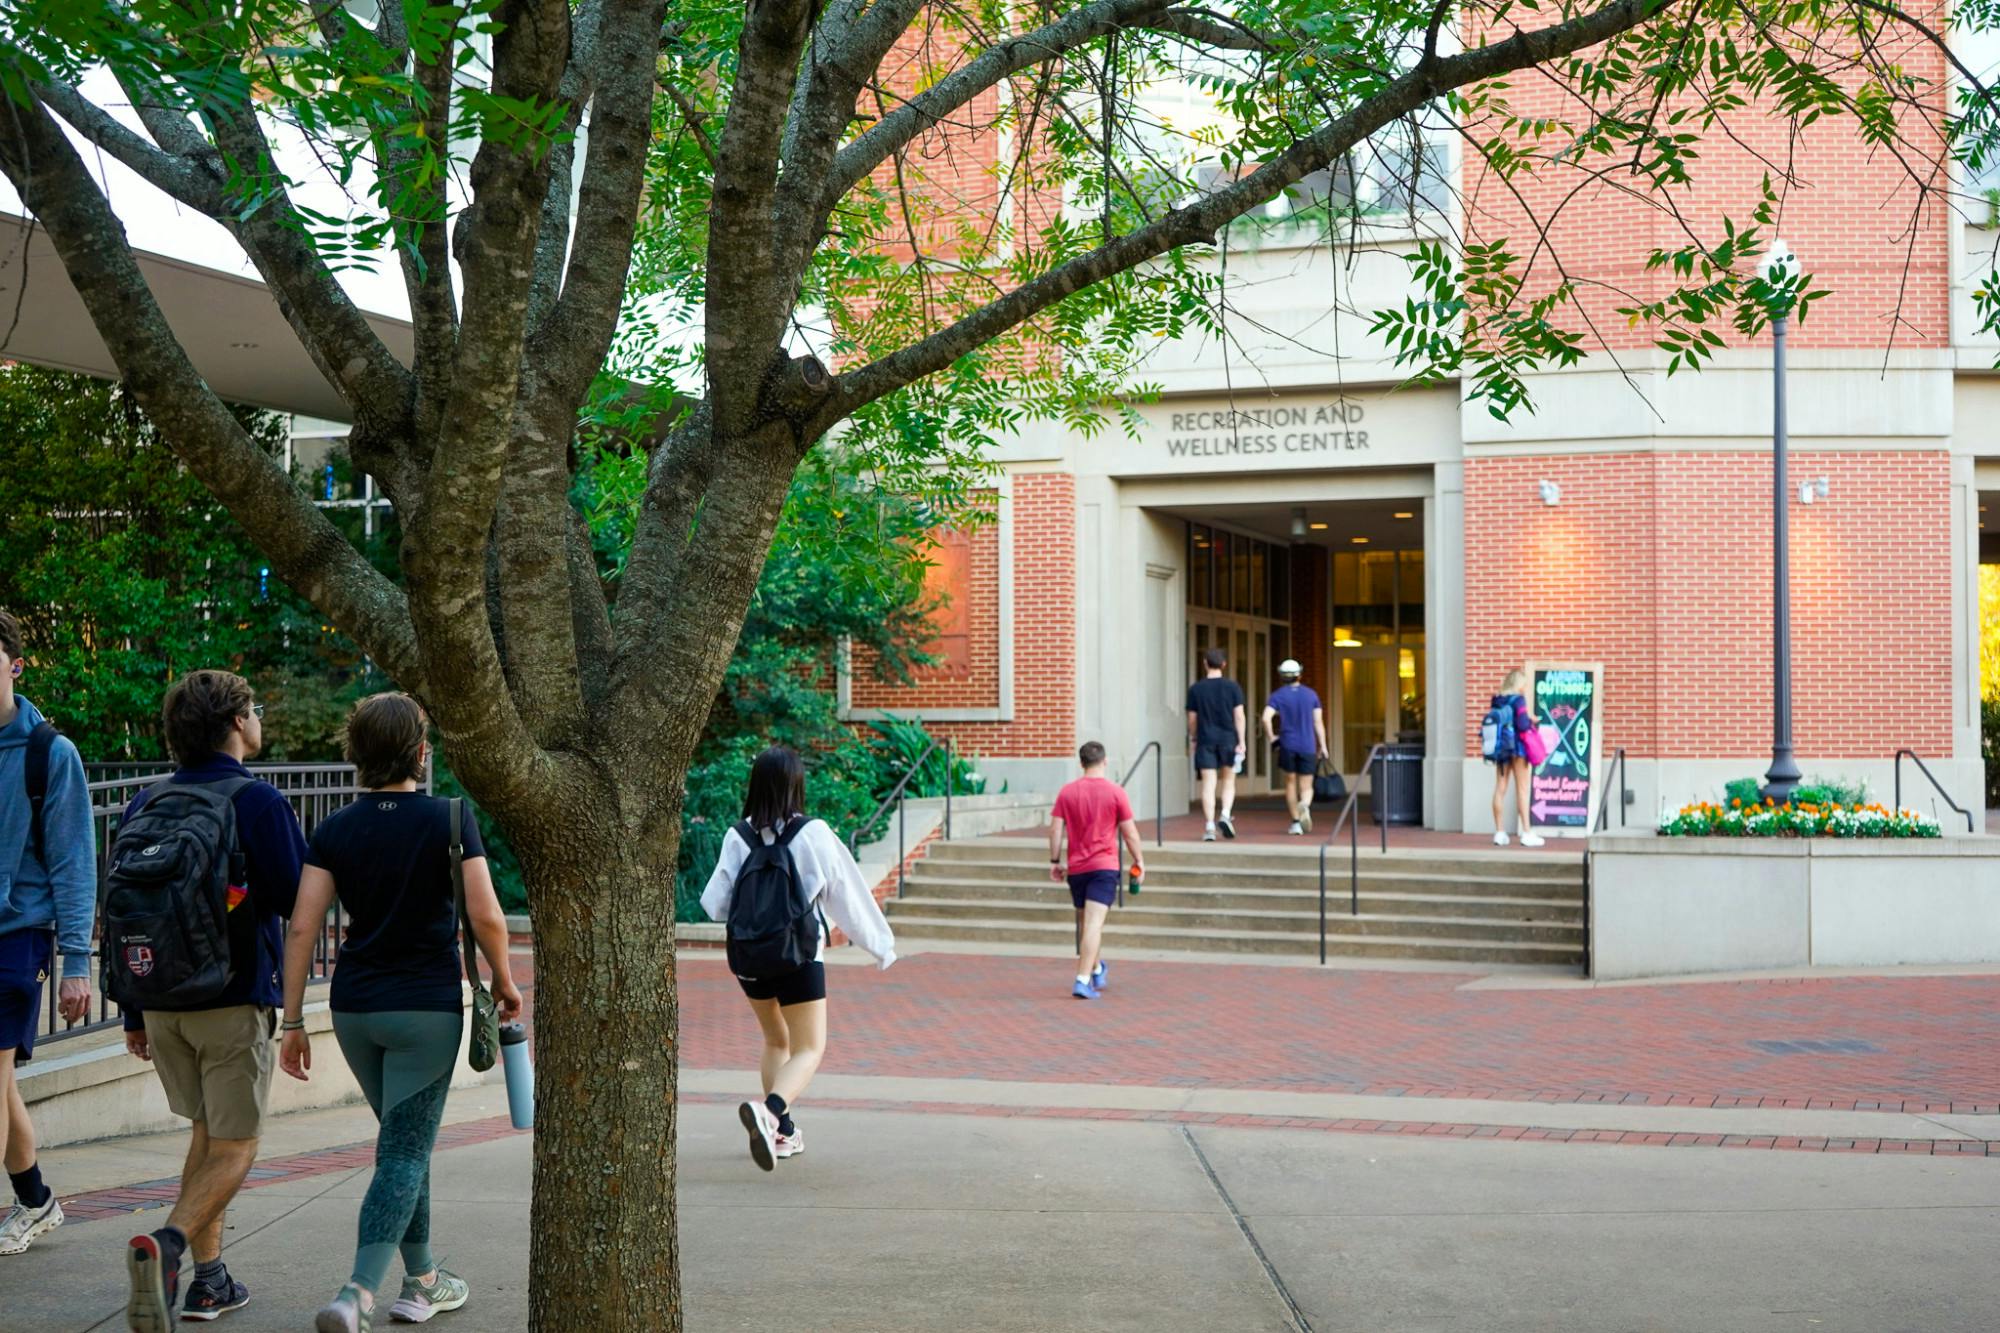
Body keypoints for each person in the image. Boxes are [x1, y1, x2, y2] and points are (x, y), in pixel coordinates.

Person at [278, 693, 522, 1332]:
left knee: (402, 1145)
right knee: (405, 1153)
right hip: (425, 1011)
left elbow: (302, 929)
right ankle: (357, 1292)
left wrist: (294, 1019)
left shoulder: (334, 828)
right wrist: (505, 980)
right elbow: (487, 914)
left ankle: (424, 1283)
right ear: (420, 750)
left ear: (356, 754)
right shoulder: (448, 818)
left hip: (356, 1010)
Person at [119, 671, 306, 1330]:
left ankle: (211, 1280)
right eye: (253, 709)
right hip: (231, 1000)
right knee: (236, 1146)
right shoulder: (257, 802)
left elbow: (129, 913)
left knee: (206, 1137)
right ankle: (165, 1248)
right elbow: (297, 902)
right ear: (234, 723)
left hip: (161, 1003)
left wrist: (133, 1012)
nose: (259, 719)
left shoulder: (144, 803)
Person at [701, 747, 896, 1172]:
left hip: (750, 958)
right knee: (809, 1047)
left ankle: (783, 1133)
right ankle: (770, 1112)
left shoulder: (738, 836)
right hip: (798, 957)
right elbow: (848, 896)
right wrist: (881, 946)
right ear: (796, 784)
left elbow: (715, 904)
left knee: (776, 1041)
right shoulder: (814, 833)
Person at [0, 610, 94, 1258]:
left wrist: (77, 959)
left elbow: (73, 860)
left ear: (14, 663)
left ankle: (34, 1200)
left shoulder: (49, 754)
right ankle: (35, 1198)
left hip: (17, 934)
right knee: (1, 1084)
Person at [1048, 741, 1143, 1000]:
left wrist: (1055, 861)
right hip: (1103, 866)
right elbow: (1129, 832)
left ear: (1081, 764)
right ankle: (1082, 979)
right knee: (1092, 924)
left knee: (1086, 922)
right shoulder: (1116, 792)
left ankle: (1097, 968)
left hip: (1077, 868)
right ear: (1105, 761)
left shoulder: (1067, 792)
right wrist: (1139, 860)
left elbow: (1056, 829)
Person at [1184, 648, 1246, 841]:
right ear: (1224, 664)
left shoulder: (1196, 689)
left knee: (1208, 785)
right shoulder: (1233, 687)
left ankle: (1210, 826)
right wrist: (1242, 741)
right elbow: (1239, 716)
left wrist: (1193, 737)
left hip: (1205, 740)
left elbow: (1192, 719)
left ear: (1205, 663)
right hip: (1228, 739)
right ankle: (1225, 815)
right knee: (1229, 781)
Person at [1262, 660, 1328, 836]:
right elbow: (1318, 722)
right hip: (1308, 745)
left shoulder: (1277, 696)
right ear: (1299, 674)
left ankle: (1296, 822)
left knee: (1290, 783)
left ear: (1282, 676)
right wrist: (1323, 745)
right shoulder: (1311, 695)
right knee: (1306, 785)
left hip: (1287, 744)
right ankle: (1304, 805)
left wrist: (1272, 738)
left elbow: (1265, 718)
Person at [1487, 670, 1546, 848]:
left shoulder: (1497, 699)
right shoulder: (1518, 700)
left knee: (1500, 788)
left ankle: (1499, 832)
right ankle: (1527, 833)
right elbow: (1521, 725)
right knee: (1522, 789)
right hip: (1519, 749)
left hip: (1502, 749)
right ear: (1519, 684)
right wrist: (1531, 720)